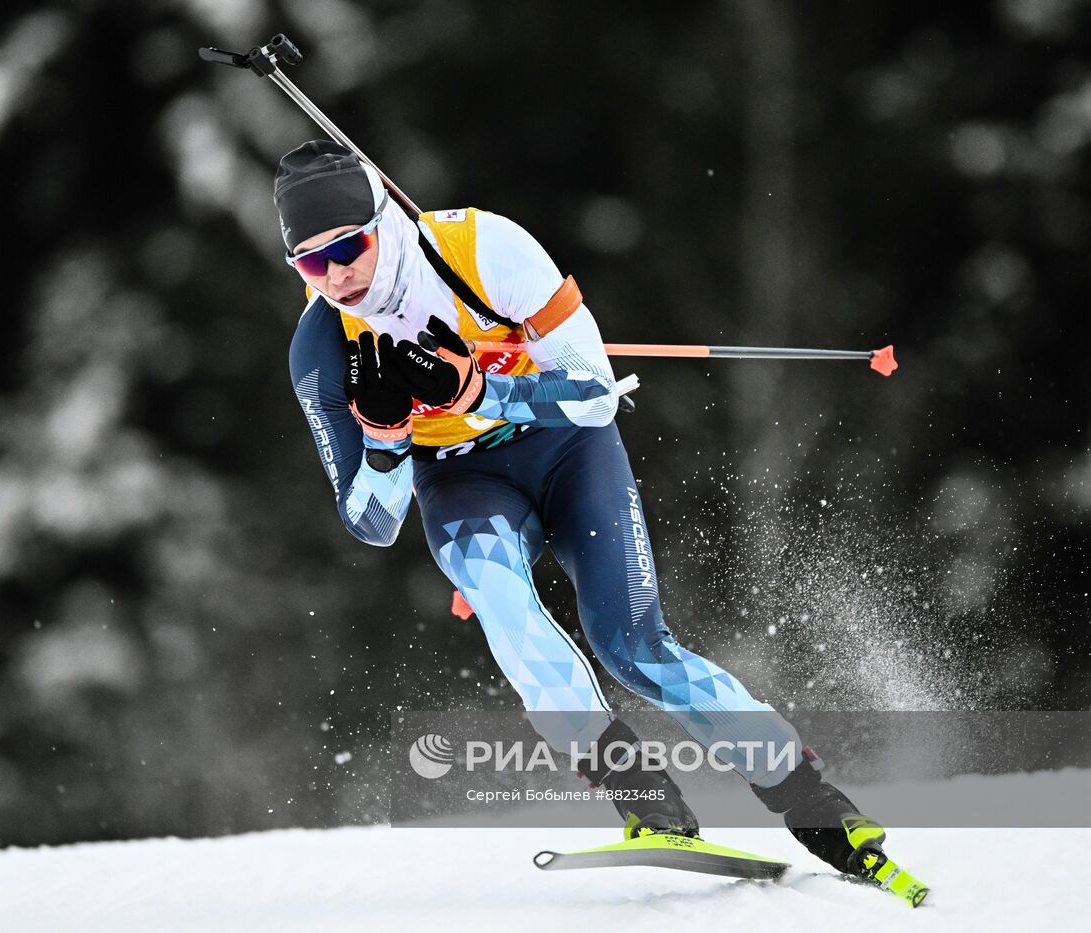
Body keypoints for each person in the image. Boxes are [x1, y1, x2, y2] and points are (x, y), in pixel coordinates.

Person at [279, 139, 885, 877]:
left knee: (630, 643)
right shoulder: (321, 345)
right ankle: (647, 804)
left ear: (383, 220)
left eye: (349, 246)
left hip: (567, 448)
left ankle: (814, 804)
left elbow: (597, 394)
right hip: (462, 479)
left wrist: (481, 393)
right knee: (505, 609)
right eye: (311, 261)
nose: (337, 275)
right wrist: (384, 441)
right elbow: (372, 523)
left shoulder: (484, 247)